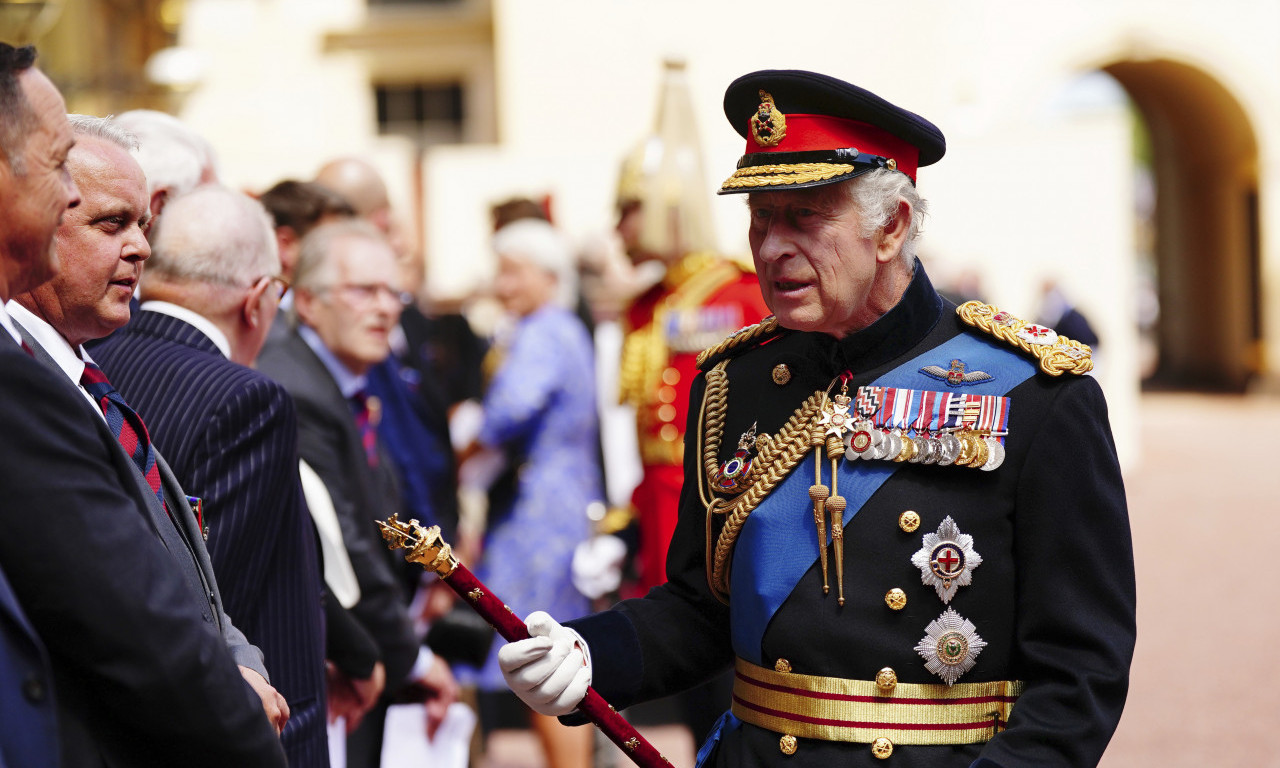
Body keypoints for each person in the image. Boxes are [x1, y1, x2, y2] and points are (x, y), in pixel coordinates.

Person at [496, 69, 1136, 767]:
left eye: (803, 216)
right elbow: (703, 607)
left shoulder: (1035, 393)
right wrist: (590, 651)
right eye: (760, 218)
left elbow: (1079, 673)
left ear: (890, 226)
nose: (771, 249)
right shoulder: (732, 383)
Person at [0, 43, 286, 767]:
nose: (138, 250)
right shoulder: (23, 379)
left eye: (145, 225)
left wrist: (238, 661)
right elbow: (120, 620)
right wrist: (239, 720)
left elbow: (193, 591)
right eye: (108, 221)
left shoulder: (85, 373)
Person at [88, 183, 329, 767]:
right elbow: (220, 597)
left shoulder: (90, 357)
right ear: (260, 298)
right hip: (249, 726)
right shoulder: (249, 398)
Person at [256, 219, 459, 768]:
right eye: (363, 291)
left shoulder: (349, 380)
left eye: (392, 292)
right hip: (325, 661)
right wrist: (413, 661)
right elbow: (347, 543)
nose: (386, 309)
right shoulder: (297, 389)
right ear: (311, 303)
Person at [461, 217, 602, 768]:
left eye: (513, 272)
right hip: (556, 504)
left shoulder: (545, 330)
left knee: (542, 650)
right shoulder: (559, 326)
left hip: (539, 513)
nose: (503, 286)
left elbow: (508, 411)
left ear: (548, 275)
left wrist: (463, 446)